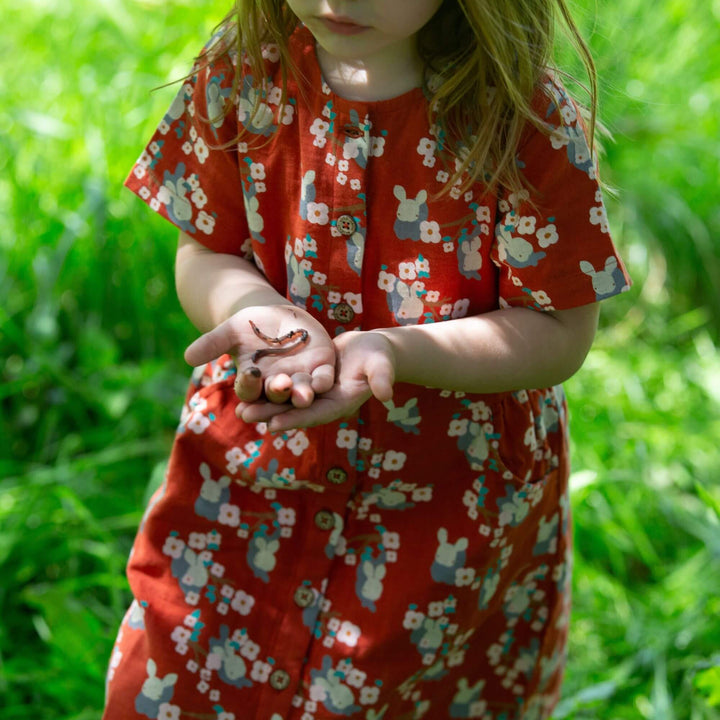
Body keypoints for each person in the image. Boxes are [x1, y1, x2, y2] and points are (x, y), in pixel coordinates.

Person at [104, 1, 631, 718]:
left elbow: (559, 327)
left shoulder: (519, 117)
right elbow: (206, 250)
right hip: (252, 470)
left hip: (444, 499)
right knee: (177, 670)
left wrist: (396, 349)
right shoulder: (245, 71)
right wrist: (254, 311)